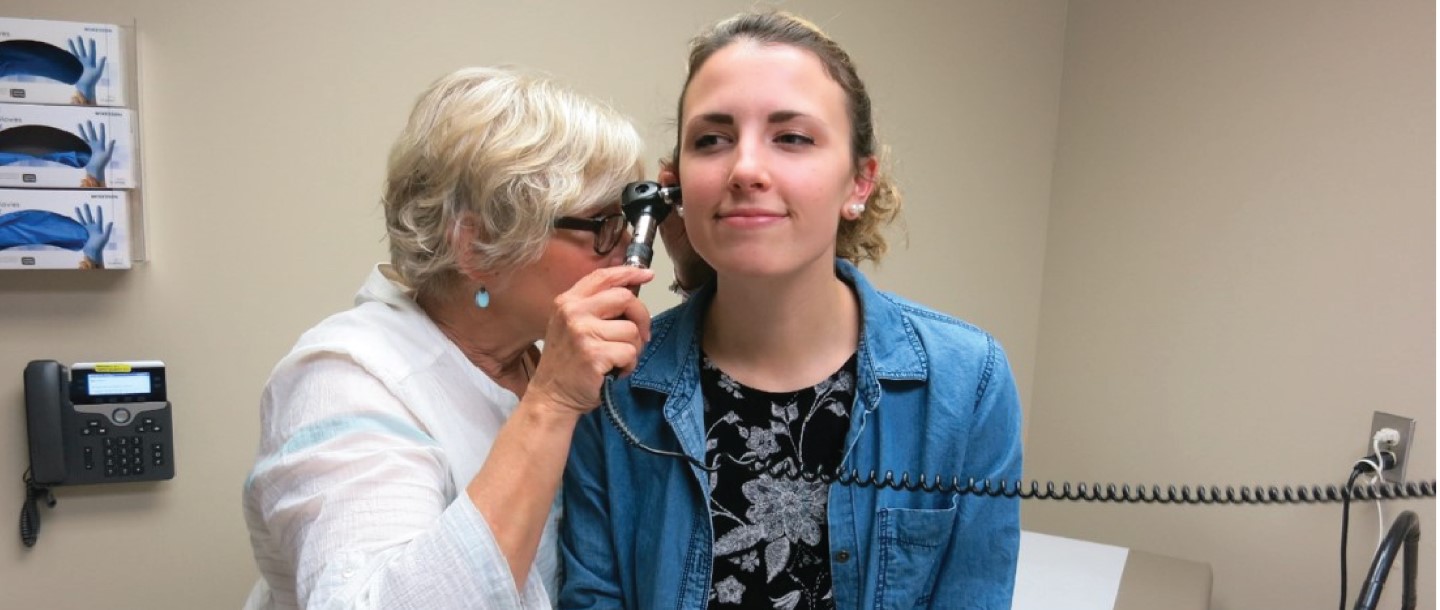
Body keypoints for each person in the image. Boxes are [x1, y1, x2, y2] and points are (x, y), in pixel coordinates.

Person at [560, 11, 1023, 609]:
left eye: (792, 137)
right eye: (712, 140)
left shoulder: (968, 382)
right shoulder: (615, 387)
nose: (745, 169)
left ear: (859, 183)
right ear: (676, 186)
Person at [242, 66, 657, 609]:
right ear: (479, 243)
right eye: (602, 224)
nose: (627, 249)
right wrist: (551, 403)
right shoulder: (342, 377)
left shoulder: (532, 362)